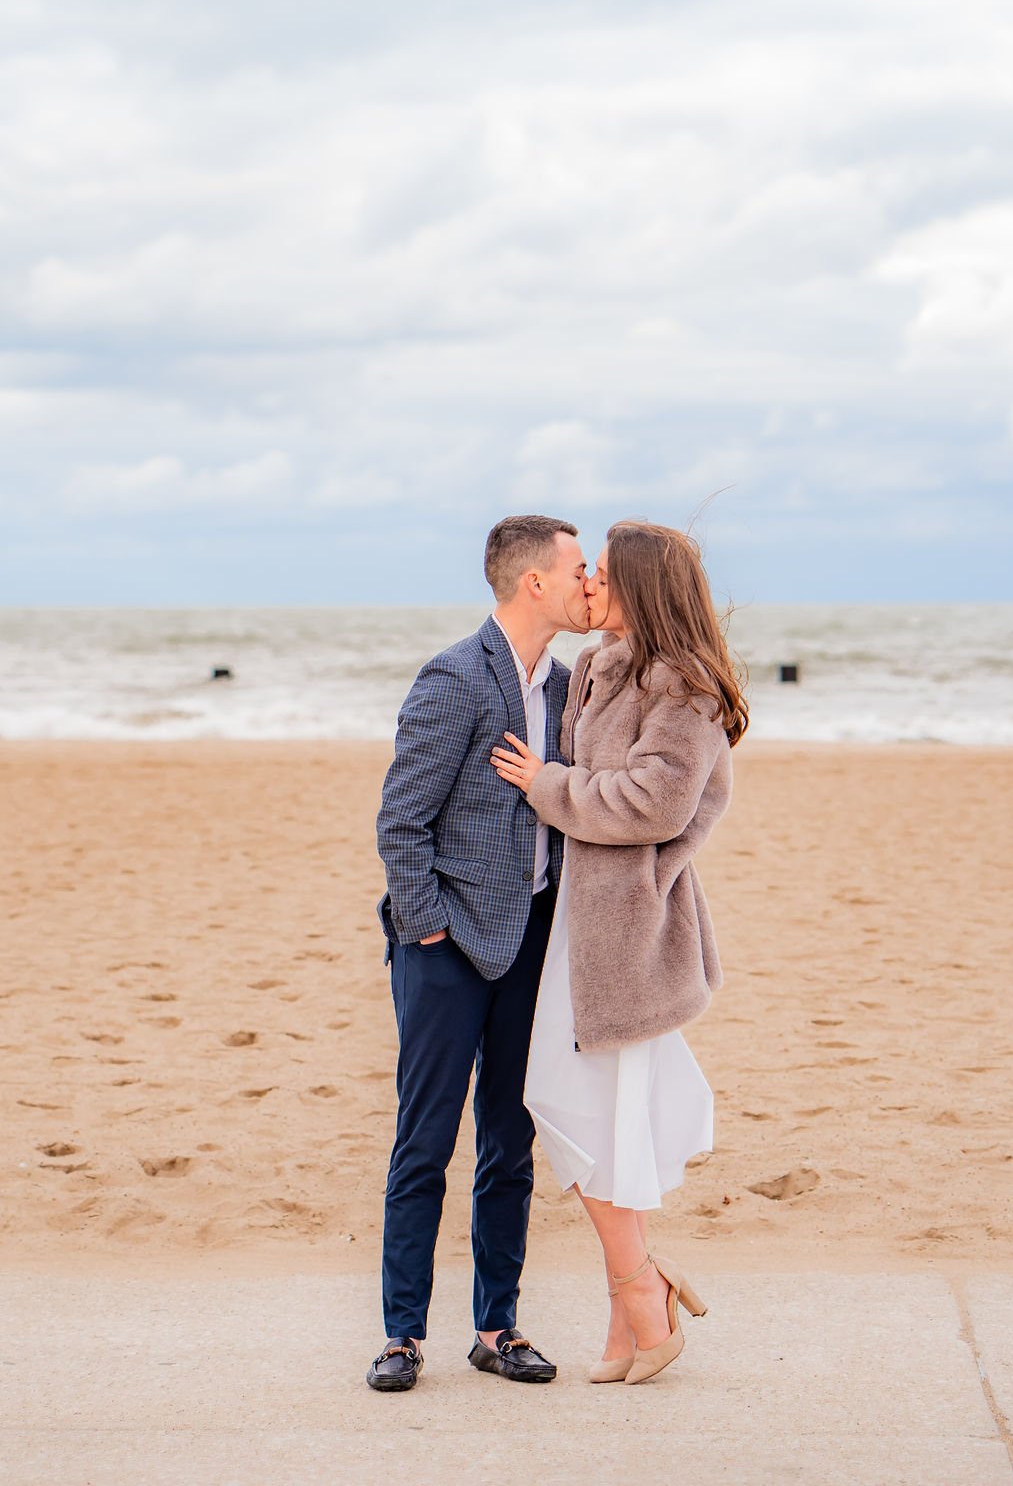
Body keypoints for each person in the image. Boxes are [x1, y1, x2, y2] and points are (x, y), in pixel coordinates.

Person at [490, 519, 747, 1386]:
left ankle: (639, 1291)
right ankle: (634, 1307)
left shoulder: (689, 688)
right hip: (579, 919)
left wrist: (545, 785)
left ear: (641, 585)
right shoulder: (601, 667)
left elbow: (654, 804)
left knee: (592, 1109)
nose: (588, 583)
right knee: (589, 1112)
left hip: (631, 931)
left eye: (602, 572)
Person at [367, 514, 590, 1392]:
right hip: (446, 948)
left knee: (510, 1139)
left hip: (532, 943)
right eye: (577, 568)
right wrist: (426, 929)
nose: (587, 581)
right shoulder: (454, 677)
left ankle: (496, 1327)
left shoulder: (572, 688)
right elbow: (400, 820)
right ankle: (400, 1335)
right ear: (533, 581)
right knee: (424, 1141)